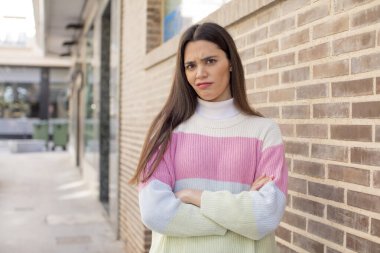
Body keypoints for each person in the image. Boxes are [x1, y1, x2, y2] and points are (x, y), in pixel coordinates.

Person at [130, 22, 288, 253]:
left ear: (231, 63)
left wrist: (193, 196)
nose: (200, 73)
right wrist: (237, 215)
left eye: (210, 61)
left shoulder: (264, 132)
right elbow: (155, 212)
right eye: (190, 66)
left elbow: (265, 214)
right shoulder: (167, 131)